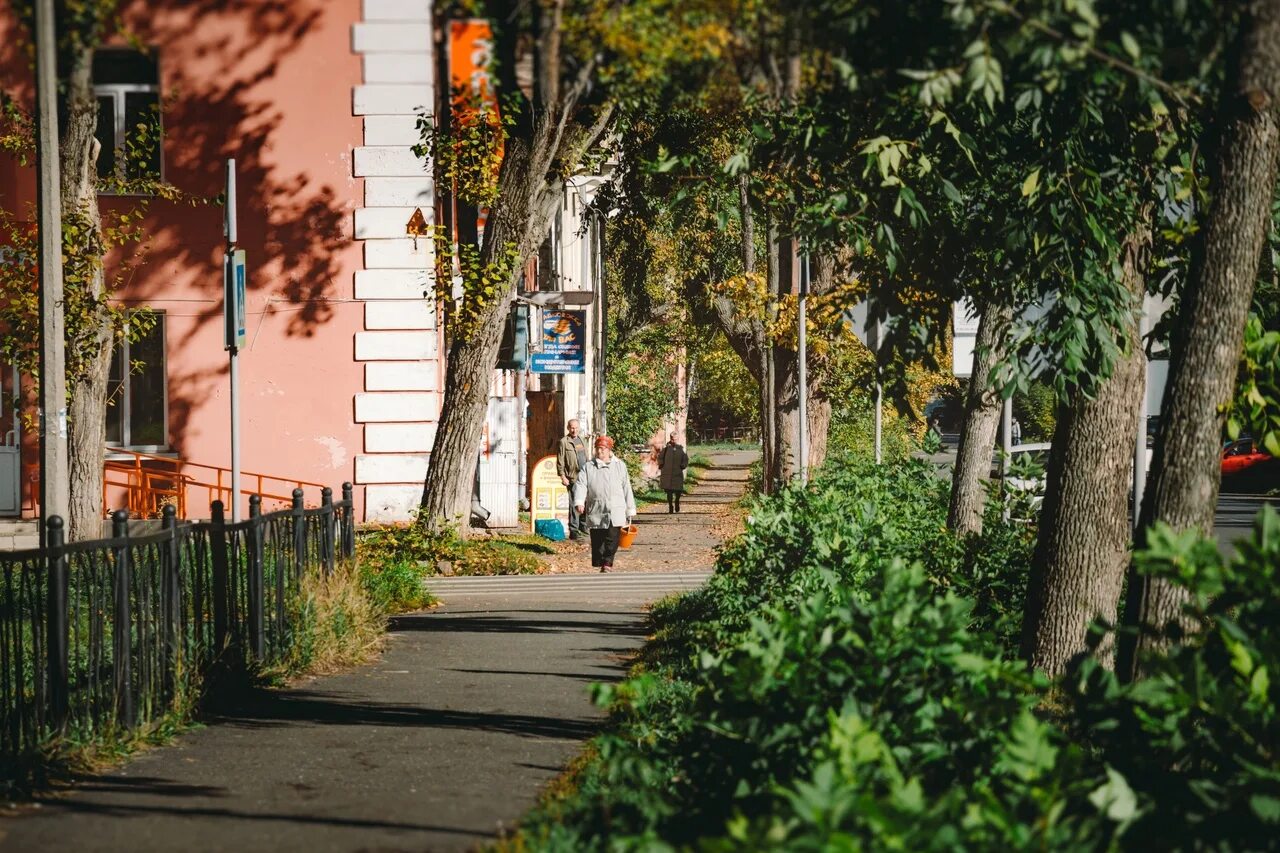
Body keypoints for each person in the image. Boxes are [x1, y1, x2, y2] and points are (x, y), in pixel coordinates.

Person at [573, 435, 637, 572]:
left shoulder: (619, 466)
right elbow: (581, 485)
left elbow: (626, 487)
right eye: (597, 449)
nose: (599, 452)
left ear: (609, 450)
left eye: (602, 449)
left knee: (612, 537)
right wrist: (579, 501)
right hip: (596, 508)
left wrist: (630, 508)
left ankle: (608, 562)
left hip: (616, 508)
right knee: (598, 537)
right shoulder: (589, 467)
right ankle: (600, 561)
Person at [557, 419, 589, 539]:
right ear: (568, 428)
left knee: (585, 501)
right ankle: (573, 530)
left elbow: (586, 457)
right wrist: (562, 476)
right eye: (571, 428)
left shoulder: (582, 440)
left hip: (584, 476)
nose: (574, 430)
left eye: (576, 427)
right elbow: (560, 461)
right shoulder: (564, 442)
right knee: (574, 503)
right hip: (572, 477)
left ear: (579, 428)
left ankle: (583, 526)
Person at [659, 432, 688, 513]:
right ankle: (670, 505)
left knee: (678, 490)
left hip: (677, 473)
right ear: (670, 438)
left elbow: (685, 459)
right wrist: (661, 464)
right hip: (667, 473)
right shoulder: (666, 448)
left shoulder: (681, 448)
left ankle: (677, 502)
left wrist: (683, 465)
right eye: (672, 439)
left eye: (675, 439)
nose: (673, 440)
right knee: (669, 491)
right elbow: (660, 457)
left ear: (677, 439)